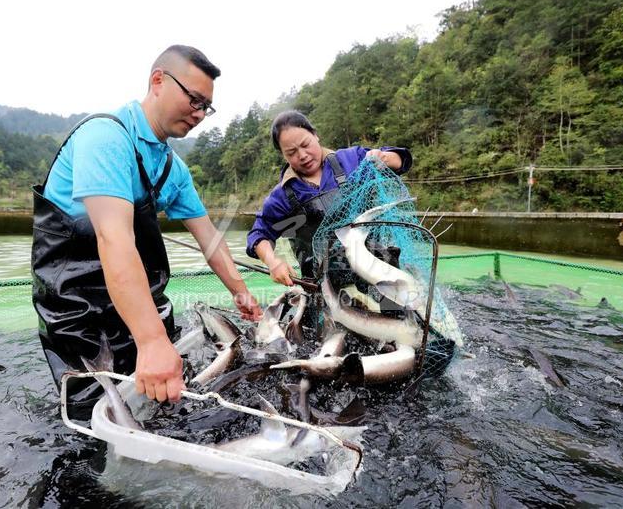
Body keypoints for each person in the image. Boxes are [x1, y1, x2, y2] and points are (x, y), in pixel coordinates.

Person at [32, 45, 262, 417]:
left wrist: (241, 292)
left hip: (137, 291)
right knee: (92, 410)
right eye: (194, 99)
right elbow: (114, 239)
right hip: (76, 301)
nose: (199, 113)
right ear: (158, 81)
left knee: (164, 399)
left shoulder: (173, 168)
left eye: (207, 107)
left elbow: (209, 238)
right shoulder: (105, 138)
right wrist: (152, 340)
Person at [246, 110, 412, 285]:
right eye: (291, 152)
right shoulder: (281, 196)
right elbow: (259, 234)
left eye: (305, 144)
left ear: (315, 135)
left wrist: (384, 157)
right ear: (283, 154)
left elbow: (401, 160)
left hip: (378, 270)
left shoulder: (351, 160)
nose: (302, 155)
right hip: (322, 285)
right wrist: (272, 262)